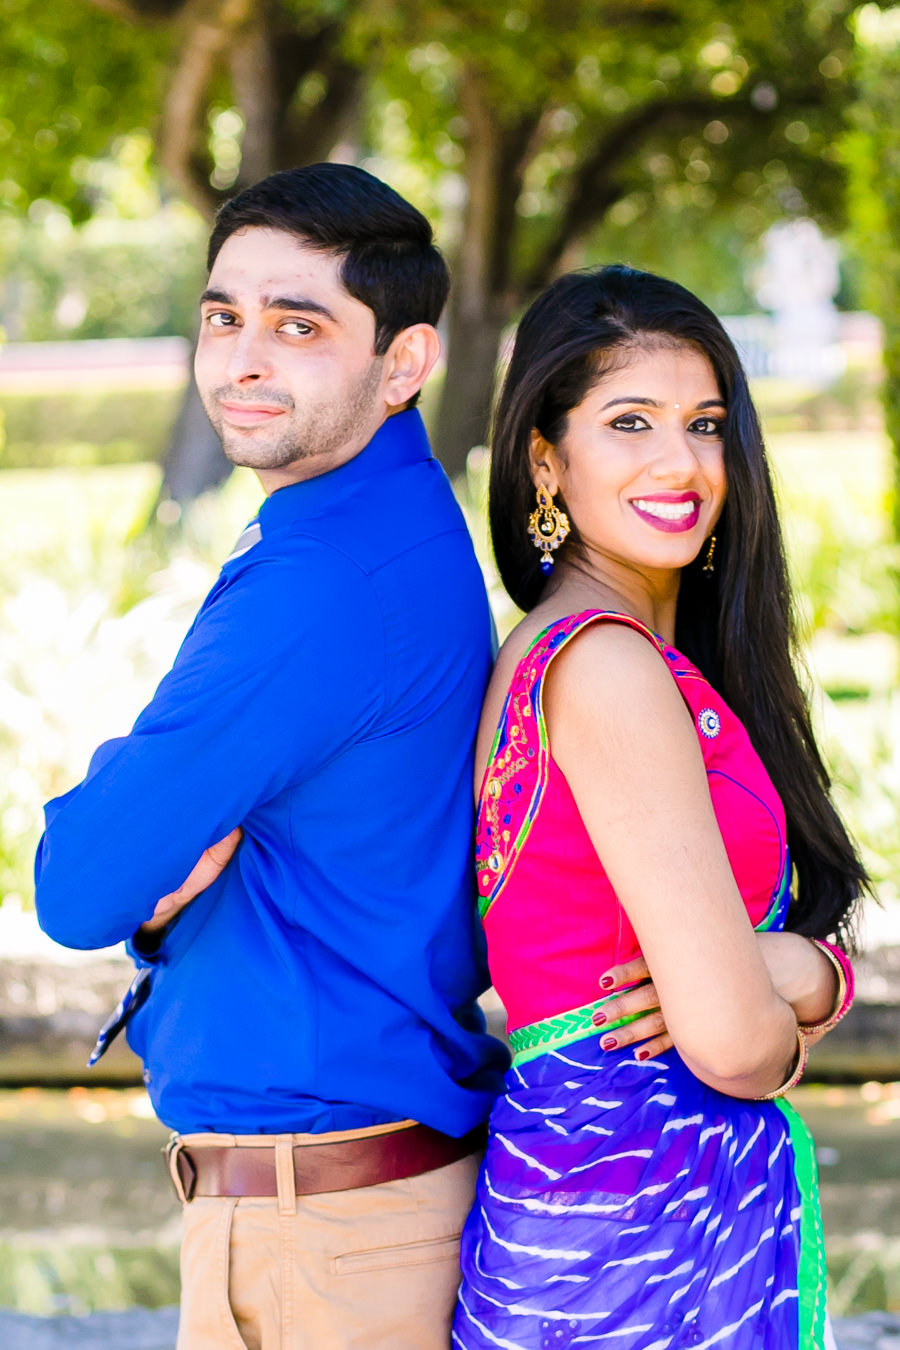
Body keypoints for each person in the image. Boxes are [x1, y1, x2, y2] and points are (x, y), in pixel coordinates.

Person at [34, 163, 514, 1350]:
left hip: (322, 1242)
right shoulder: (384, 520)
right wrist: (169, 895)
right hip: (356, 1210)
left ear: (403, 364)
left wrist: (139, 847)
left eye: (298, 325)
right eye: (223, 315)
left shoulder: (321, 581)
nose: (242, 358)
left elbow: (77, 883)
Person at [453, 265, 864, 1350]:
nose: (681, 463)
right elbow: (731, 1044)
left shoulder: (567, 651)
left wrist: (798, 971)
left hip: (601, 1204)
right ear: (546, 459)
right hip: (636, 1224)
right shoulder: (608, 669)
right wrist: (790, 993)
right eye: (628, 423)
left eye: (705, 424)